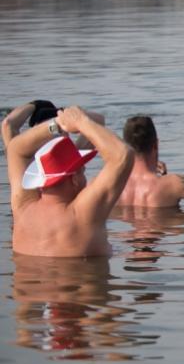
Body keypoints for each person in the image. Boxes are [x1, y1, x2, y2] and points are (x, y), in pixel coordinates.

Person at [6, 106, 133, 257]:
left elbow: (15, 149)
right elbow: (123, 155)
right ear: (74, 179)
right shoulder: (84, 213)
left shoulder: (22, 208)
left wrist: (57, 124)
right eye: (82, 171)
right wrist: (80, 122)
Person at [2, 99, 105, 150]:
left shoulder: (74, 156)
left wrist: (34, 105)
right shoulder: (24, 159)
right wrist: (35, 105)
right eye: (58, 130)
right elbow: (8, 125)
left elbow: (99, 120)